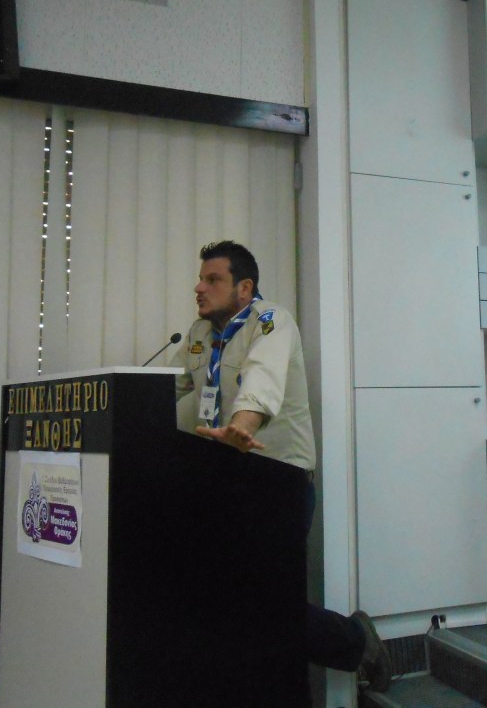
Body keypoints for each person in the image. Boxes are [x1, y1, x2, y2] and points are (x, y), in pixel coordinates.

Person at [172, 239, 392, 693]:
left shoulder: (270, 321)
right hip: (224, 476)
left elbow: (263, 378)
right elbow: (165, 386)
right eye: (200, 278)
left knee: (267, 604)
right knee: (221, 593)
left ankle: (357, 642)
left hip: (277, 479)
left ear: (244, 287)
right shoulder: (198, 334)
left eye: (213, 279)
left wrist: (242, 425)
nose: (199, 287)